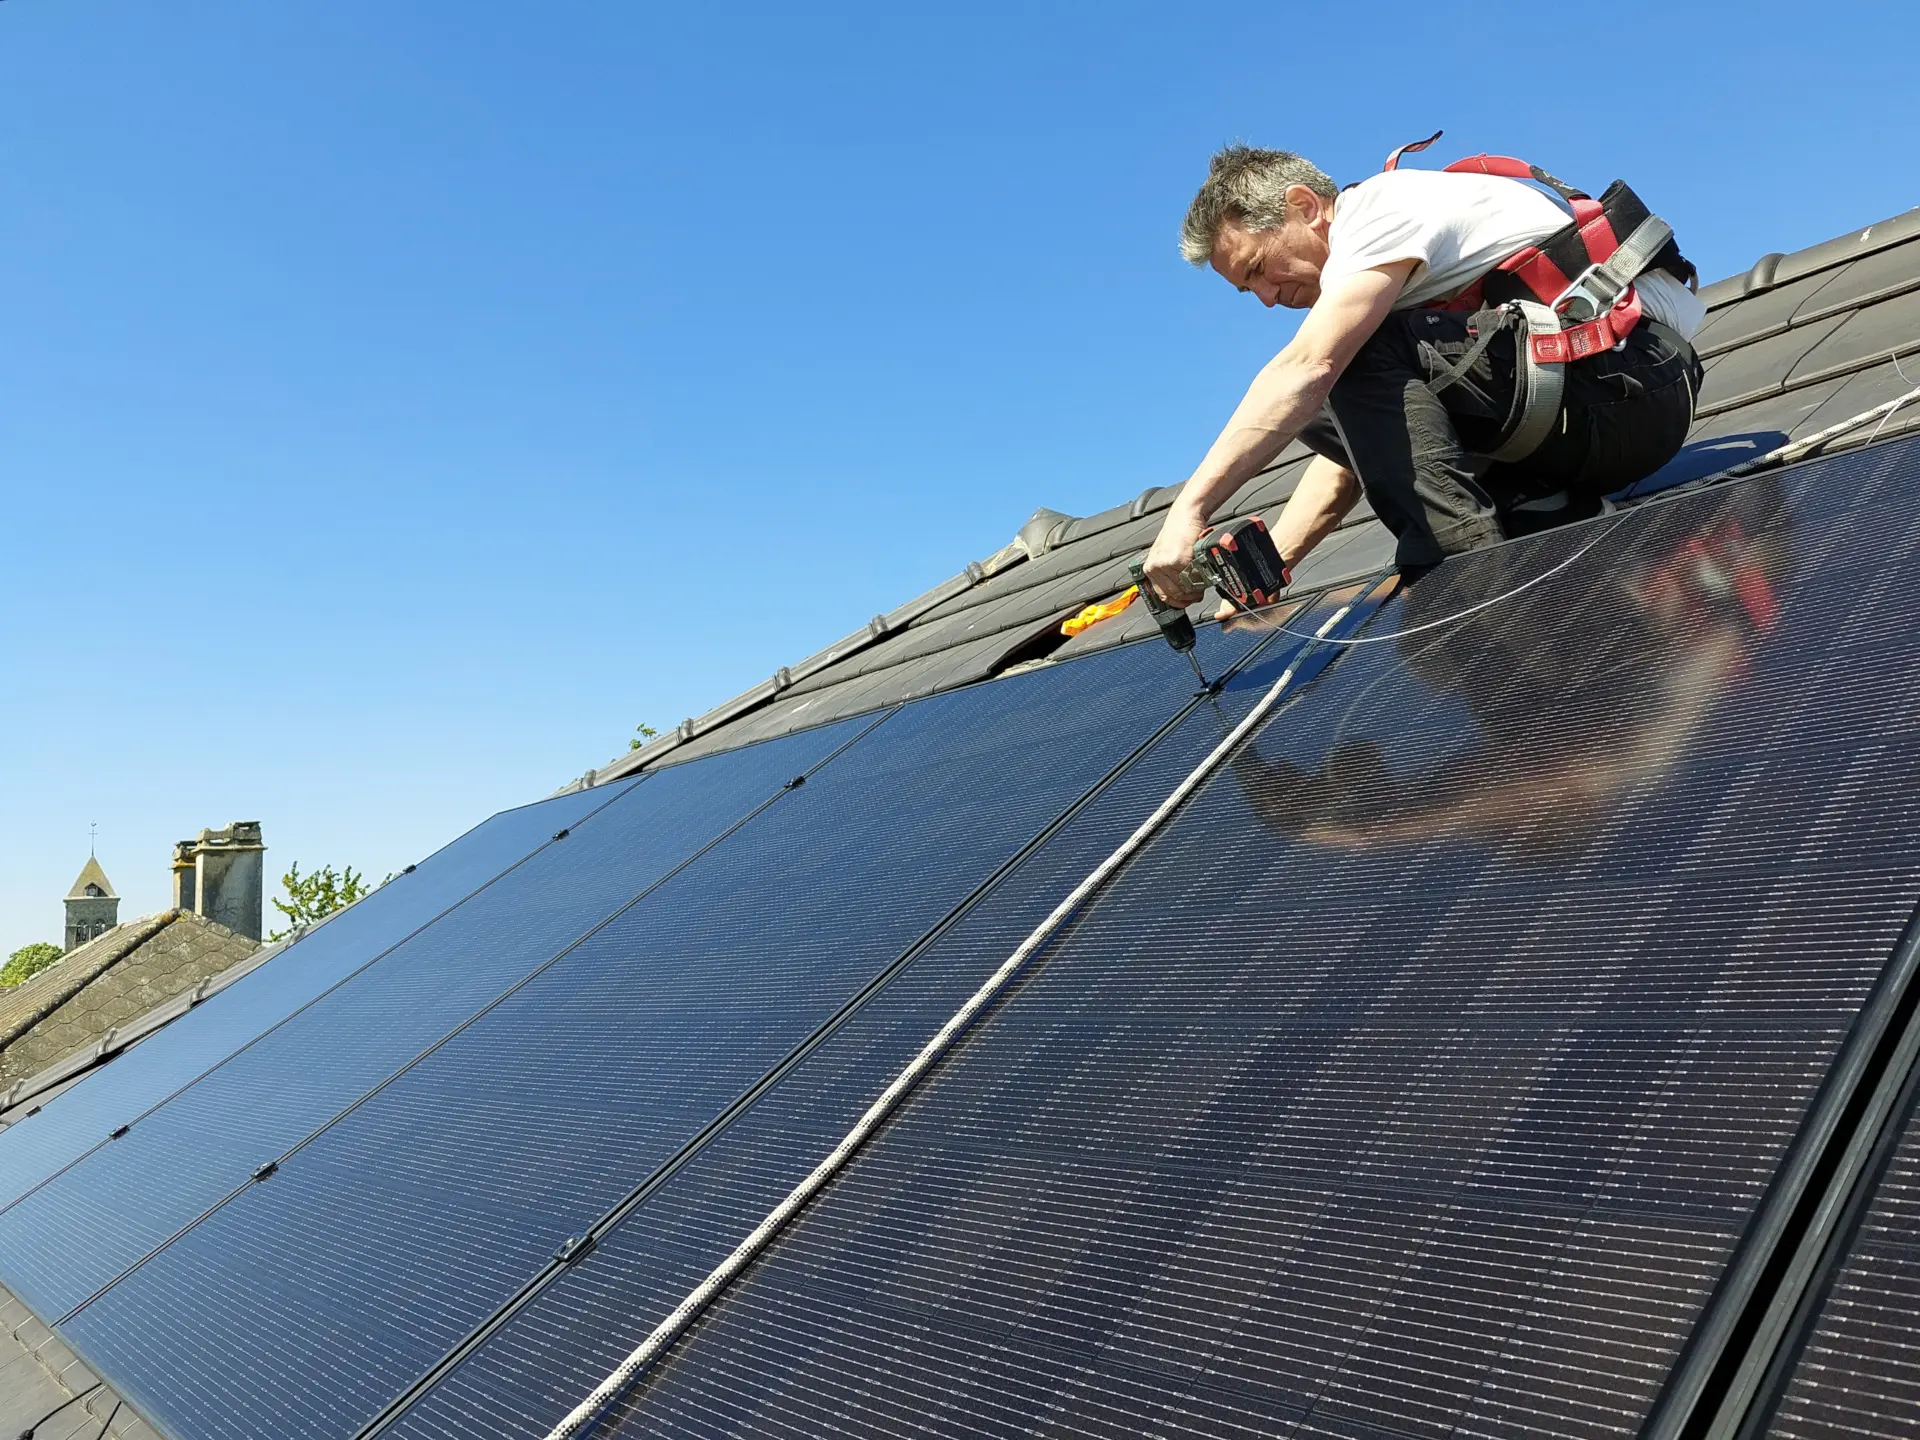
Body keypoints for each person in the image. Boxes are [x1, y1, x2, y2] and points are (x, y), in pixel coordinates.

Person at [1142, 144, 1706, 605]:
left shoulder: (1379, 213)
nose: (1266, 298)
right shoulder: (1376, 284)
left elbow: (1310, 369)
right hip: (1601, 408)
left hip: (1631, 381)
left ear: (1306, 207)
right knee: (1327, 395)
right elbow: (1378, 442)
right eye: (1249, 291)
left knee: (1322, 370)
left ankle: (1467, 580)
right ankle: (1539, 512)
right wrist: (1273, 567)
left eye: (1259, 269)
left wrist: (1188, 511)